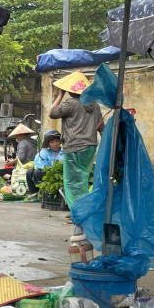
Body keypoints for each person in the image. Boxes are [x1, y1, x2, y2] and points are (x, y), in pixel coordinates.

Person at [49, 71, 104, 208]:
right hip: (90, 147)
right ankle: (83, 209)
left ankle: (78, 211)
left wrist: (60, 94)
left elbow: (52, 112)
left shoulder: (71, 103)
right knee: (82, 180)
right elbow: (101, 126)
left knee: (72, 182)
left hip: (74, 146)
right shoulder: (94, 105)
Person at [26, 130, 64, 196]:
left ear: (60, 142)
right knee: (30, 172)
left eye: (57, 141)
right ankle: (35, 193)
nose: (54, 144)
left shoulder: (65, 152)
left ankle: (47, 193)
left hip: (60, 175)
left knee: (37, 172)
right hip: (47, 174)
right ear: (48, 144)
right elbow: (39, 165)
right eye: (52, 142)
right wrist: (49, 169)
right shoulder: (45, 153)